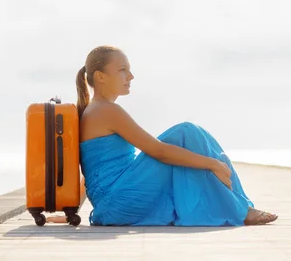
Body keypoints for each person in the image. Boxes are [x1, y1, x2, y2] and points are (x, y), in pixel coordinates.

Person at [76, 45, 278, 226]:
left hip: (112, 203)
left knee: (193, 135)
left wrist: (73, 210)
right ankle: (241, 209)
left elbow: (92, 173)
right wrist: (212, 164)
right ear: (100, 76)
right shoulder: (106, 111)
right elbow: (159, 152)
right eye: (123, 70)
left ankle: (241, 207)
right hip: (118, 201)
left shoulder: (95, 110)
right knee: (187, 133)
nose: (131, 76)